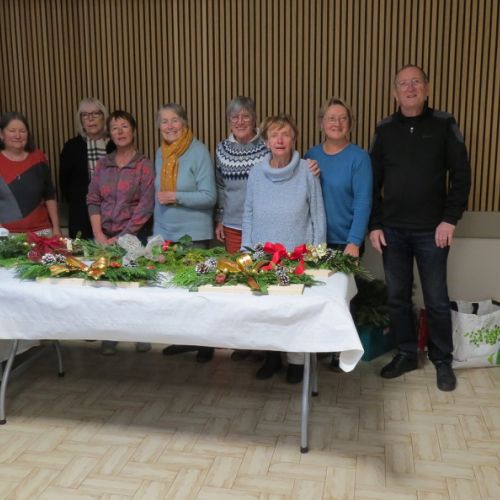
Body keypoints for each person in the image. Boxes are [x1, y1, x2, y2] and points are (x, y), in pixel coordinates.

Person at [369, 64, 471, 392]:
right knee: (397, 298)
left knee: (437, 299)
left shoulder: (444, 123)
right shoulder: (385, 129)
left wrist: (449, 219)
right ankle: (406, 353)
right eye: (403, 84)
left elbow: (461, 175)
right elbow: (372, 181)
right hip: (393, 232)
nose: (410, 88)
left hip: (433, 231)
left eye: (416, 82)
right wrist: (375, 224)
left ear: (426, 89)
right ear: (394, 93)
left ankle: (442, 360)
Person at [242, 114, 326, 383]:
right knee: (267, 310)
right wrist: (246, 251)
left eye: (286, 134)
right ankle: (271, 357)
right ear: (266, 141)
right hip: (263, 256)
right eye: (274, 135)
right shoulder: (256, 173)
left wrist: (316, 255)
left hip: (296, 256)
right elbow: (248, 213)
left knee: (294, 312)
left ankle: (297, 362)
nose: (280, 140)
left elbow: (318, 215)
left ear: (294, 139)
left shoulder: (307, 171)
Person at [305, 97, 372, 368]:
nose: (337, 123)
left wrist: (354, 242)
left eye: (342, 118)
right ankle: (319, 347)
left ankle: (340, 353)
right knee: (316, 297)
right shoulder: (311, 156)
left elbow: (363, 202)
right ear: (321, 123)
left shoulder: (359, 158)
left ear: (350, 124)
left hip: (346, 242)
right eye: (331, 118)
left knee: (342, 299)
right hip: (316, 242)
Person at [87, 110, 155, 355]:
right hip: (104, 236)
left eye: (124, 126)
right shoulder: (102, 164)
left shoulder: (144, 164)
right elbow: (93, 199)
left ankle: (140, 333)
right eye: (115, 128)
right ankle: (110, 334)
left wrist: (122, 237)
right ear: (110, 134)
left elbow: (146, 205)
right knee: (107, 289)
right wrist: (99, 235)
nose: (120, 131)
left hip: (134, 237)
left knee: (134, 287)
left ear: (133, 131)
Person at [154, 103, 217, 363]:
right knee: (176, 295)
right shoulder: (160, 153)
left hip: (194, 236)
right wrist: (156, 237)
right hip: (168, 234)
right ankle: (185, 339)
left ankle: (206, 344)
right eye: (164, 121)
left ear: (185, 122)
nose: (170, 126)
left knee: (197, 293)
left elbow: (210, 196)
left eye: (175, 120)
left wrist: (176, 196)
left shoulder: (198, 151)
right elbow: (158, 198)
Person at [60, 98, 115, 239]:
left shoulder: (115, 145)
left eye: (95, 113)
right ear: (81, 121)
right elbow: (64, 184)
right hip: (81, 214)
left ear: (104, 117)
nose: (90, 118)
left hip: (113, 214)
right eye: (85, 115)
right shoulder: (71, 147)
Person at [0, 112, 61, 236]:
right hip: (6, 234)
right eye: (12, 131)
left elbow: (49, 194)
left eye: (22, 131)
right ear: (1, 134)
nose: (18, 135)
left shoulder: (38, 157)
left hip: (42, 231)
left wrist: (56, 227)